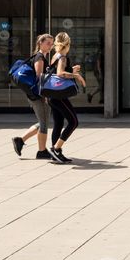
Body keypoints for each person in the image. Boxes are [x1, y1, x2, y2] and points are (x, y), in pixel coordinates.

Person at [12, 33, 54, 160]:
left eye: (52, 44)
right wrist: (44, 96)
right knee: (44, 123)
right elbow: (39, 77)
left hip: (36, 95)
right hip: (38, 95)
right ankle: (41, 151)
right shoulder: (40, 57)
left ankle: (20, 140)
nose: (50, 46)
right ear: (40, 43)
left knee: (43, 122)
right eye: (48, 43)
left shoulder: (41, 57)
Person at [46, 32, 83, 164]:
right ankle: (56, 149)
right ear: (67, 44)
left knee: (59, 124)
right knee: (73, 122)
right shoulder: (62, 57)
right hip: (58, 96)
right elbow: (60, 73)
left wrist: (72, 70)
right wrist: (76, 76)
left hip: (52, 95)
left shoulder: (56, 56)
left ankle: (56, 154)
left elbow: (57, 72)